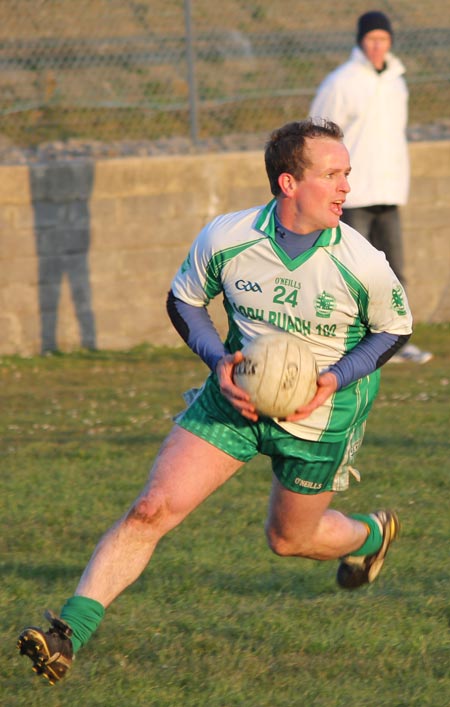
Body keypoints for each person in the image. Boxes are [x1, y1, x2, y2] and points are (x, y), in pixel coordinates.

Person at [17, 119, 413, 686]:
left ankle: (372, 535)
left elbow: (395, 328)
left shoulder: (360, 261)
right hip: (234, 398)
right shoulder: (229, 237)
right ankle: (67, 634)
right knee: (150, 509)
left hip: (323, 417)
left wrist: (334, 377)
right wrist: (217, 362)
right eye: (332, 175)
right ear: (288, 183)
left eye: (346, 174)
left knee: (290, 540)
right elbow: (185, 300)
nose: (346, 187)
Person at [310, 10, 432, 364]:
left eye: (383, 40)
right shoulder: (342, 82)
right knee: (351, 271)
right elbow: (319, 133)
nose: (378, 47)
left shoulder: (397, 81)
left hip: (389, 191)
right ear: (361, 42)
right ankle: (351, 345)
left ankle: (395, 341)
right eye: (371, 40)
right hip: (353, 194)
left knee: (393, 271)